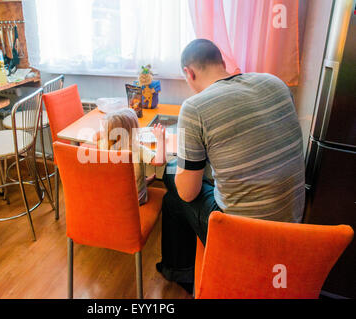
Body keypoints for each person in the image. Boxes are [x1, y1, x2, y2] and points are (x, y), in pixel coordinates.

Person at [156, 39, 305, 294]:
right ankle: (178, 268)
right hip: (293, 226)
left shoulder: (195, 108)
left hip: (243, 236)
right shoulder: (275, 83)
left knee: (172, 180)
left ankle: (181, 272)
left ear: (189, 73)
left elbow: (188, 193)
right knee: (175, 198)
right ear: (222, 63)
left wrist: (169, 161)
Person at [94, 108, 167, 205]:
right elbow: (159, 161)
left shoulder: (103, 144)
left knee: (125, 176)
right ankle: (142, 185)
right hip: (134, 199)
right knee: (134, 178)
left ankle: (143, 182)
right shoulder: (137, 149)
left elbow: (95, 136)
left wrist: (108, 129)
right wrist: (161, 139)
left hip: (112, 195)